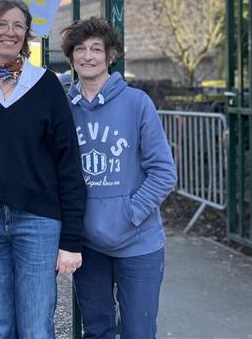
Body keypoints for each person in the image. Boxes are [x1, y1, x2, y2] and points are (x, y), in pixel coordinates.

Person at [0, 0, 86, 338]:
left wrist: (71, 239)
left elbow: (68, 163)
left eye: (18, 26)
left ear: (26, 36)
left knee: (36, 327)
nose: (10, 32)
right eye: (1, 24)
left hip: (38, 222)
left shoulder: (46, 86)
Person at [60, 18, 177, 339]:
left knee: (138, 332)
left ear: (111, 56)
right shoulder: (64, 109)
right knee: (97, 331)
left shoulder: (137, 103)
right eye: (80, 49)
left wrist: (131, 213)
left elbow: (164, 172)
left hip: (139, 242)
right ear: (71, 58)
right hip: (88, 245)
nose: (88, 56)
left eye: (96, 49)